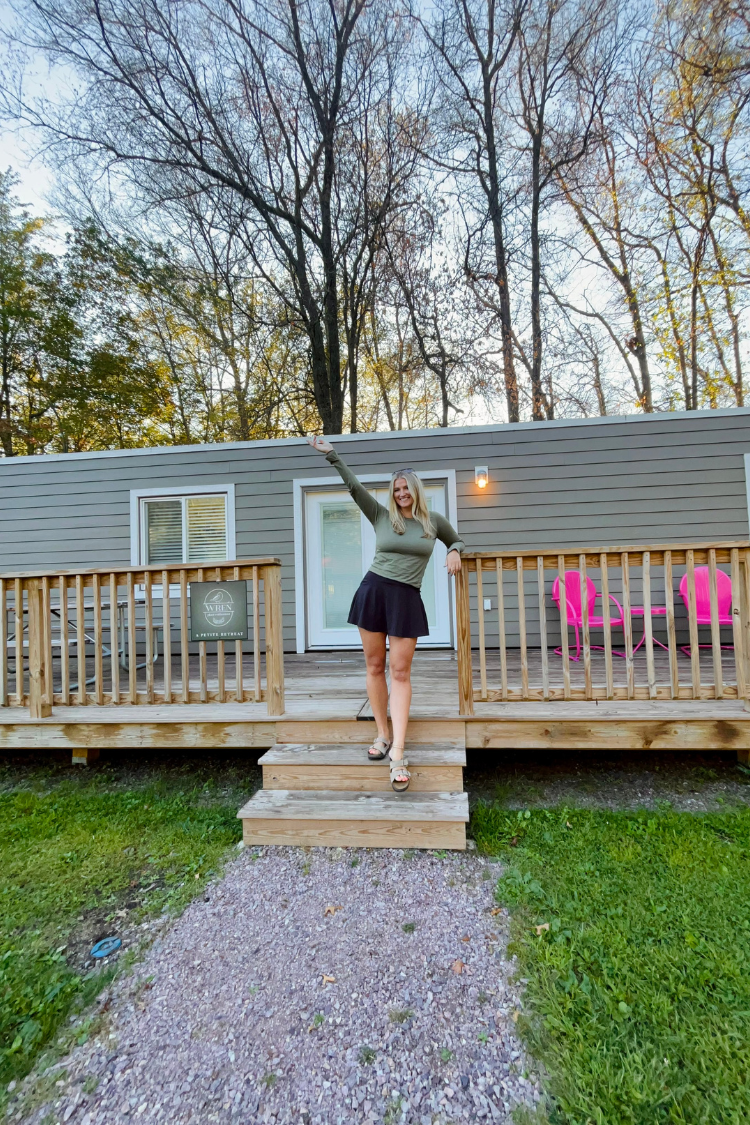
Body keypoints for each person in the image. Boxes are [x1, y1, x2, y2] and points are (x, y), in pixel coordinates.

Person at [307, 436, 464, 791]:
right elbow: (354, 486)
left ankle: (399, 751)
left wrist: (454, 550)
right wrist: (332, 455)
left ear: (416, 490)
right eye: (396, 488)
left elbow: (457, 540)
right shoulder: (380, 514)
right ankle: (382, 734)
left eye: (406, 488)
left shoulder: (432, 521)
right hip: (374, 591)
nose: (401, 493)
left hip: (407, 598)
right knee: (375, 666)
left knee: (401, 672)